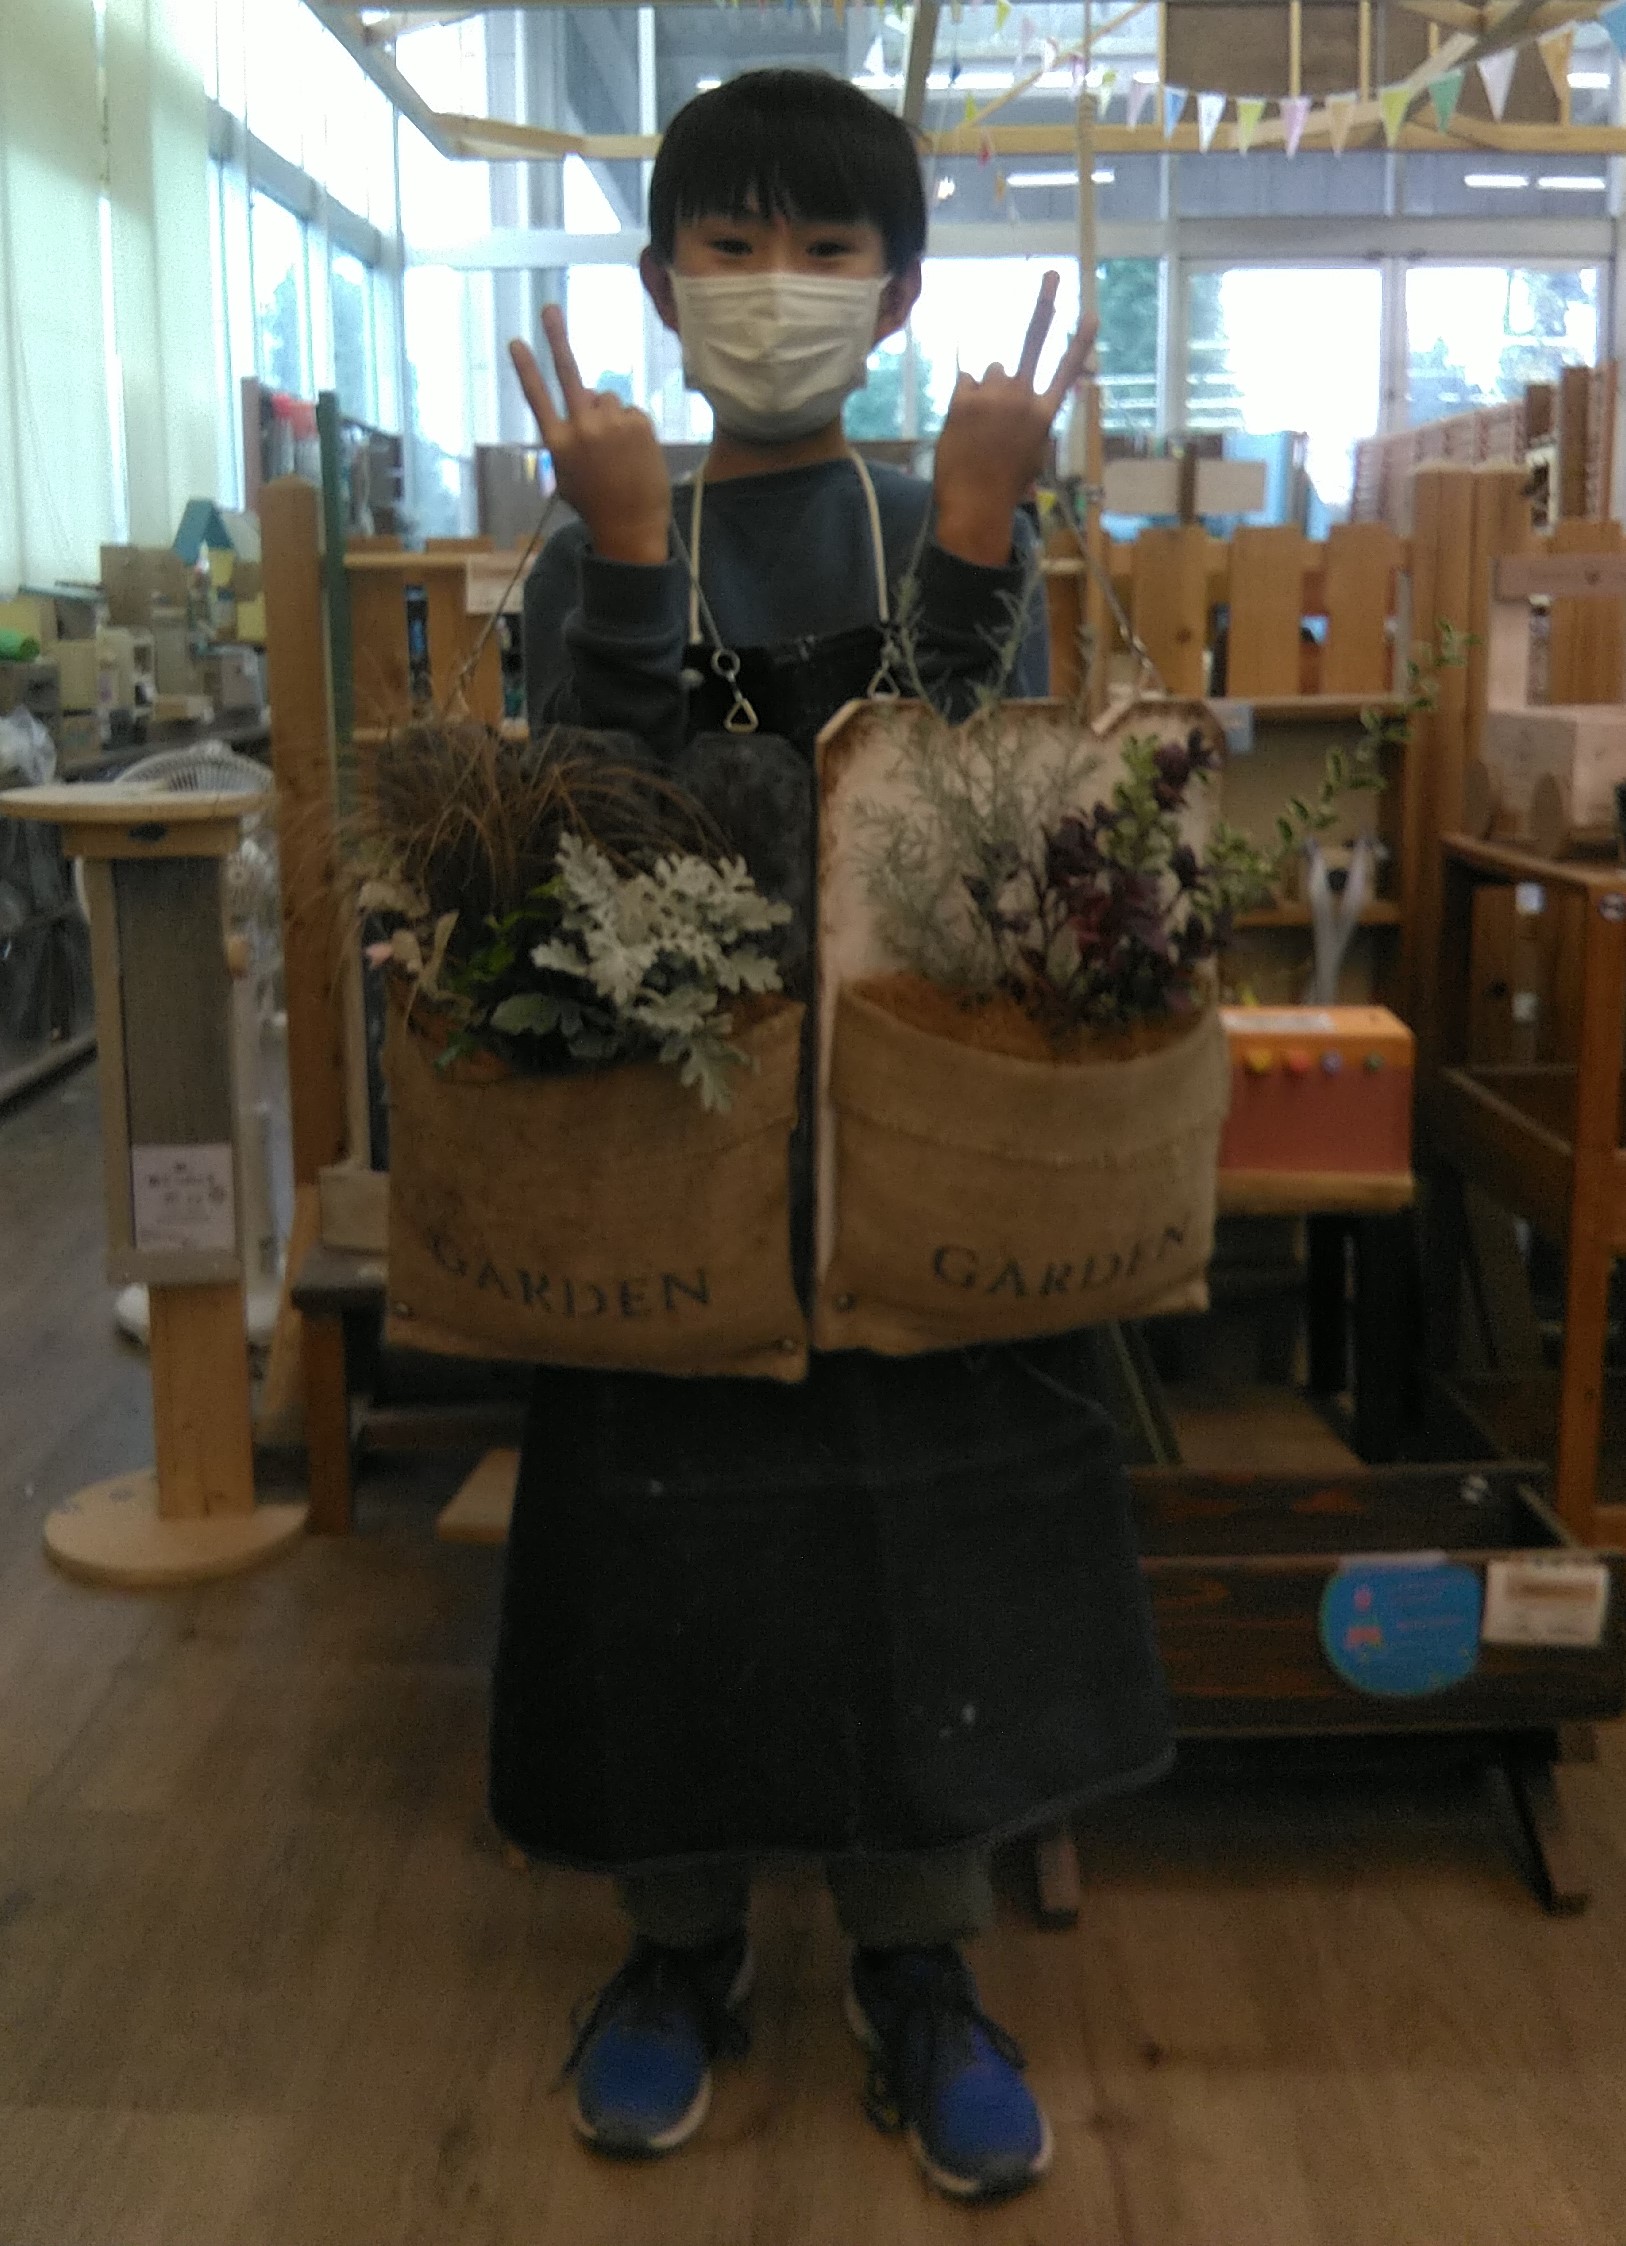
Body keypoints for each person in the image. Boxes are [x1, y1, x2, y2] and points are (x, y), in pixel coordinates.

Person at [495, 69, 1172, 2206]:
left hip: (909, 1144)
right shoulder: (583, 542)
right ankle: (675, 1944)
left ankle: (920, 1965)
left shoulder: (952, 517)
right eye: (730, 243)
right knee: (667, 1532)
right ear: (657, 280)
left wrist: (974, 534)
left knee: (922, 1543)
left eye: (823, 249)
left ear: (894, 302)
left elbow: (971, 828)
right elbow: (593, 835)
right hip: (668, 1136)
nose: (771, 286)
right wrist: (624, 558)